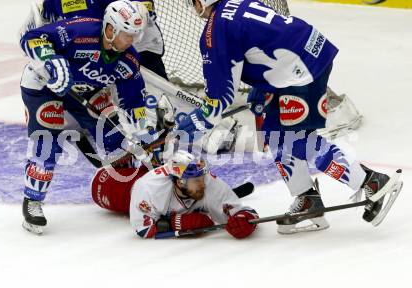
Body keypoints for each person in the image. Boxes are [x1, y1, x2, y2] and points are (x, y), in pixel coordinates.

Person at [177, 0, 403, 234]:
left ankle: (370, 181)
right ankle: (307, 200)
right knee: (276, 136)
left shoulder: (216, 32)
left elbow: (219, 99)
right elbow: (268, 35)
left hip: (300, 72)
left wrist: (194, 123)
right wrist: (264, 84)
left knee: (299, 141)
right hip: (304, 54)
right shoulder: (237, 3)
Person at [20, 0, 159, 234]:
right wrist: (50, 60)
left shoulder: (128, 60)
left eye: (135, 35)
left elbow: (134, 103)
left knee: (116, 138)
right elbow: (31, 38)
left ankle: (131, 191)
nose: (131, 41)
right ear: (110, 28)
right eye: (126, 35)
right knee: (48, 142)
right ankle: (32, 201)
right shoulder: (81, 30)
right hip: (43, 86)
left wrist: (144, 133)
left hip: (85, 92)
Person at [91, 150, 259, 239]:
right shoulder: (148, 189)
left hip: (154, 179)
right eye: (196, 180)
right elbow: (143, 229)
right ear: (180, 181)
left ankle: (149, 162)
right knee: (107, 187)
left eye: (202, 177)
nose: (203, 183)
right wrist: (178, 222)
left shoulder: (206, 181)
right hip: (110, 187)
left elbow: (243, 211)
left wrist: (246, 220)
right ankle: (125, 162)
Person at [20, 0, 168, 79]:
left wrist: (140, 9)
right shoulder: (55, 3)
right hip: (95, 49)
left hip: (138, 45)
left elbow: (143, 10)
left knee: (153, 90)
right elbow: (39, 27)